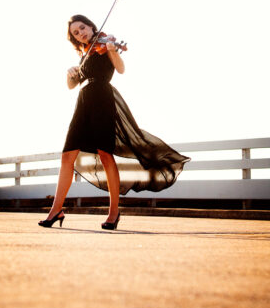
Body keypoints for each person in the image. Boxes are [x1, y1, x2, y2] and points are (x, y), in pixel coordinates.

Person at [39, 15, 189, 230]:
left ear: (91, 26)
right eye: (76, 32)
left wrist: (111, 49)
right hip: (83, 102)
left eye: (83, 28)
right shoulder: (85, 54)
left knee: (106, 155)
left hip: (102, 99)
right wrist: (69, 72)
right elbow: (71, 86)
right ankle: (56, 210)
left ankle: (113, 213)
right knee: (67, 155)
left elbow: (120, 69)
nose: (81, 33)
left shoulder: (106, 44)